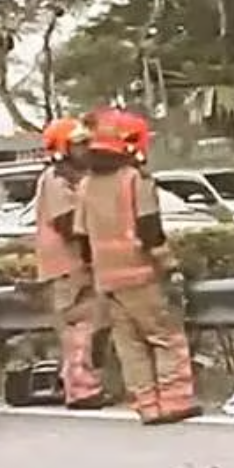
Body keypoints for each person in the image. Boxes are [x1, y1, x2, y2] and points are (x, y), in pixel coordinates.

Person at [74, 107, 201, 425]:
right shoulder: (135, 179)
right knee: (165, 336)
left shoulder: (86, 185)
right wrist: (170, 266)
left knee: (129, 344)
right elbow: (149, 229)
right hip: (142, 274)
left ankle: (146, 405)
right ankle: (174, 401)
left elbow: (80, 235)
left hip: (107, 280)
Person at [35, 116, 110, 409]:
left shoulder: (78, 176)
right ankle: (81, 390)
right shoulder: (57, 178)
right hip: (67, 265)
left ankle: (80, 385)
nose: (85, 149)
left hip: (79, 263)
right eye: (78, 144)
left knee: (88, 326)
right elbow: (68, 222)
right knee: (80, 328)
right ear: (62, 148)